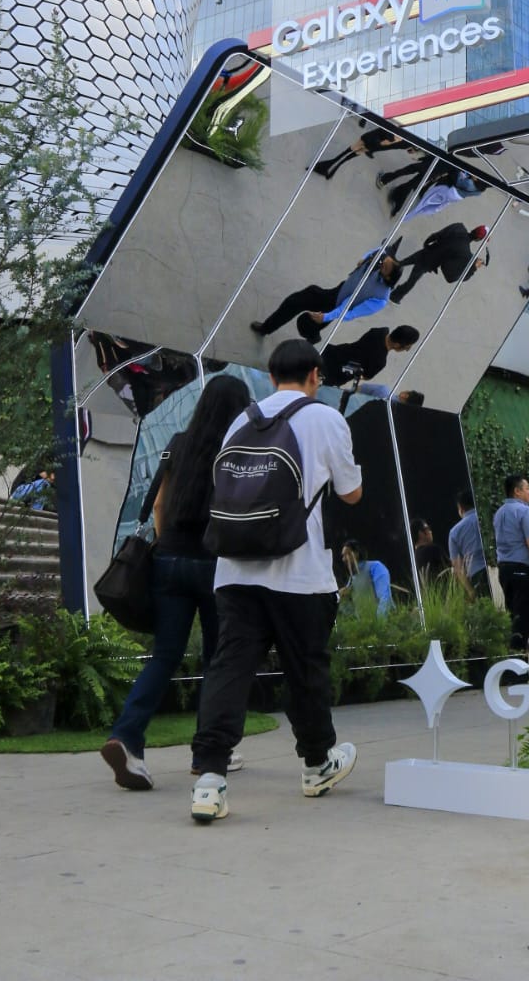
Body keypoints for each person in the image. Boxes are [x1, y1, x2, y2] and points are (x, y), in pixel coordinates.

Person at [189, 340, 363, 824]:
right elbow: (351, 493)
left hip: (235, 568)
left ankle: (209, 780)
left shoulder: (240, 421)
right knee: (305, 669)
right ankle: (317, 764)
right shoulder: (326, 418)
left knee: (229, 667)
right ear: (315, 376)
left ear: (270, 377)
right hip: (299, 571)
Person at [101, 374, 252, 792]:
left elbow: (159, 505)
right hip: (214, 565)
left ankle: (126, 737)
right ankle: (208, 754)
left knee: (164, 656)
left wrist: (168, 545)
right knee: (217, 661)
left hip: (169, 561)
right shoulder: (236, 449)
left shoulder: (178, 443)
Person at [251, 243, 402, 343]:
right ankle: (266, 328)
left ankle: (313, 335)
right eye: (384, 261)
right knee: (295, 301)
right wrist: (363, 258)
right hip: (338, 290)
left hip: (336, 306)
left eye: (384, 267)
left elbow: (350, 311)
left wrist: (327, 317)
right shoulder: (382, 260)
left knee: (305, 324)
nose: (381, 264)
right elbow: (377, 251)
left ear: (388, 277)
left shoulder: (380, 299)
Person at [493, 474, 529, 657]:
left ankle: (515, 661)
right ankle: (517, 661)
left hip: (504, 569)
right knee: (524, 618)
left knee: (513, 615)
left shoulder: (499, 513)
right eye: (527, 488)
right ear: (517, 491)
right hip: (523, 569)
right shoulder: (524, 511)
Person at [390, 223, 489, 304]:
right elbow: (451, 277)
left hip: (427, 251)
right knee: (411, 281)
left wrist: (427, 243)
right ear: (478, 240)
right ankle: (395, 296)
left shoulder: (459, 227)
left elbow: (438, 235)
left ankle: (390, 270)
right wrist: (473, 267)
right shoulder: (466, 254)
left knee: (404, 263)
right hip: (429, 263)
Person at [320, 324, 419, 387]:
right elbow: (365, 376)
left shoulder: (380, 331)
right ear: (397, 345)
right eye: (407, 346)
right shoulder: (380, 361)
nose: (407, 348)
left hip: (334, 352)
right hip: (336, 373)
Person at [316, 125, 413, 180]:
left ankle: (327, 168)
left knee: (347, 153)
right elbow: (387, 141)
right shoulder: (402, 134)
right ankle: (328, 168)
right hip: (374, 141)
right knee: (348, 155)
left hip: (372, 138)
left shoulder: (400, 129)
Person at [449, 490, 490, 598]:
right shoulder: (486, 518)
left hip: (477, 575)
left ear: (460, 508)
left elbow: (457, 566)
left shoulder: (454, 532)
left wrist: (470, 590)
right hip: (495, 567)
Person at [340, 539, 392, 614]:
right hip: (366, 621)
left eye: (347, 554)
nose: (344, 559)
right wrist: (342, 599)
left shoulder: (375, 567)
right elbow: (351, 611)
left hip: (385, 620)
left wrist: (380, 620)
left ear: (356, 554)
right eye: (343, 556)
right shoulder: (351, 579)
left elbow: (384, 597)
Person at [410, 518, 445, 583]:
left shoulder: (413, 561)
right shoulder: (433, 550)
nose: (430, 531)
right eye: (428, 528)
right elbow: (453, 568)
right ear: (420, 533)